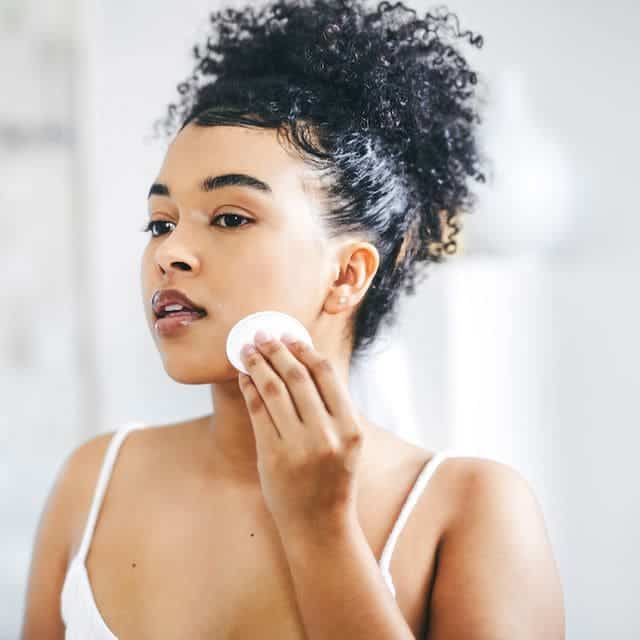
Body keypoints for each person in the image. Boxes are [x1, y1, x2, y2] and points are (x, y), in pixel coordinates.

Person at [20, 1, 565, 638]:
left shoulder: (473, 509)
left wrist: (320, 528)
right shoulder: (93, 483)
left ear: (346, 275)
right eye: (160, 223)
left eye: (230, 218)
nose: (168, 252)